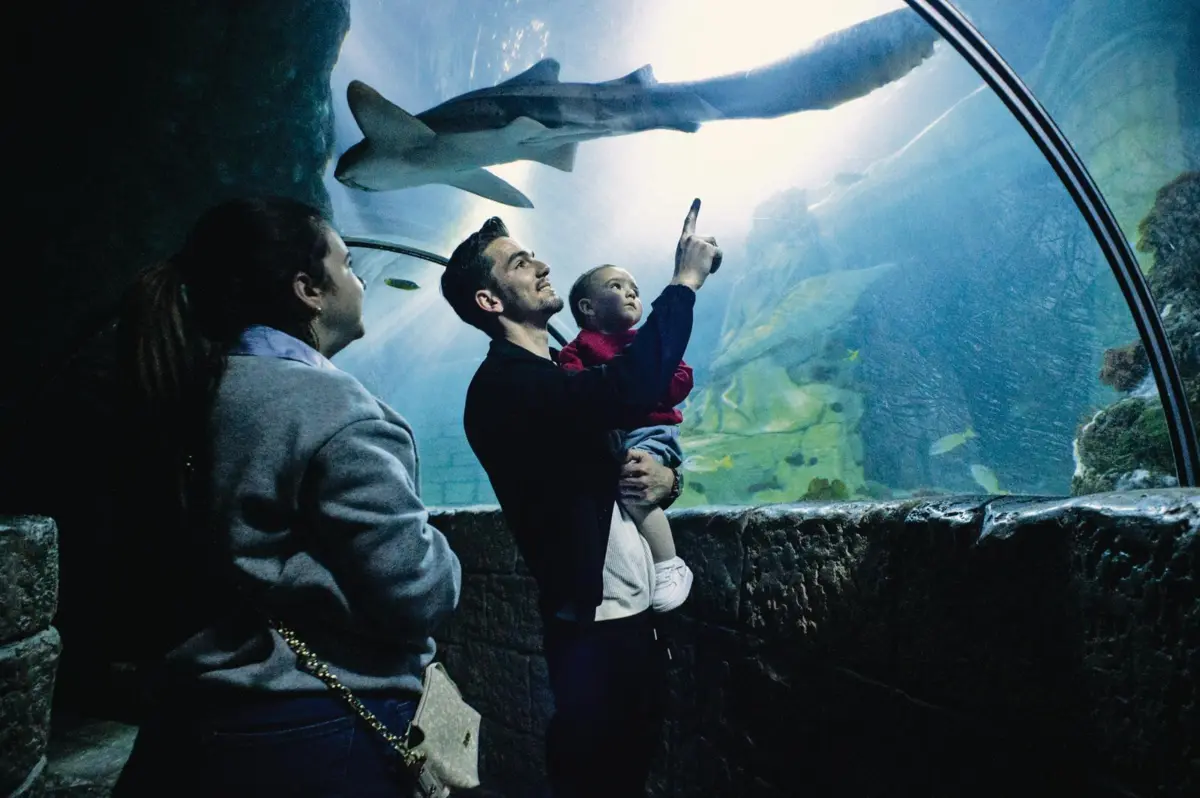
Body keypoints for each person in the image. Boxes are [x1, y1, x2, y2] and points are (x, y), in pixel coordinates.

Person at [111, 196, 462, 797]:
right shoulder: (333, 407)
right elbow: (418, 592)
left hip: (191, 717)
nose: (358, 281)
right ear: (308, 290)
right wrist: (444, 556)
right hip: (317, 725)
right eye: (347, 265)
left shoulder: (179, 390)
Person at [440, 199, 723, 797]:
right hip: (593, 628)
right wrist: (684, 282)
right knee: (598, 770)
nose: (541, 265)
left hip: (628, 613)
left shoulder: (556, 377)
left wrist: (670, 482)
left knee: (627, 759)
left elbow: (621, 468)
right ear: (489, 301)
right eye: (519, 262)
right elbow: (634, 386)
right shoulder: (504, 386)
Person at [560, 263, 695, 612]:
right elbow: (575, 389)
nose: (631, 292)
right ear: (588, 307)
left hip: (652, 429)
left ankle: (669, 564)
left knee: (636, 483)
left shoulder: (649, 341)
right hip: (611, 435)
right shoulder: (575, 350)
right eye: (617, 286)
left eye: (634, 286)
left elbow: (681, 380)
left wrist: (648, 379)